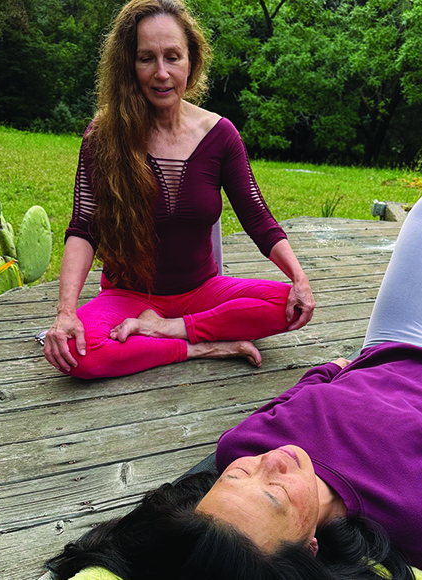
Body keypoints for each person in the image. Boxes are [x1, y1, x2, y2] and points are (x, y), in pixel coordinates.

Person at [45, 194, 422, 580]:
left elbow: (289, 402)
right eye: (275, 495)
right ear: (311, 547)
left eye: (233, 479)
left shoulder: (241, 447)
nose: (268, 463)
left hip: (385, 349)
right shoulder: (419, 522)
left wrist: (330, 372)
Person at [43, 0, 314, 380]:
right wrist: (66, 312)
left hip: (202, 292)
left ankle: (169, 331)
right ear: (128, 65)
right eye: (145, 58)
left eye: (173, 57)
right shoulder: (103, 136)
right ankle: (198, 346)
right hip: (128, 297)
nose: (161, 73)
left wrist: (299, 279)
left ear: (192, 60)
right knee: (76, 352)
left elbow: (258, 218)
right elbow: (84, 228)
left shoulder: (220, 135)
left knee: (290, 306)